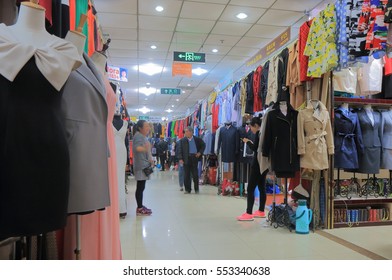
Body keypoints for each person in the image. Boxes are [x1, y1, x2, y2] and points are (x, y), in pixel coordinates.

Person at [237, 116, 267, 221]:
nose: (250, 129)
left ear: (255, 125)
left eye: (251, 127)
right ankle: (261, 211)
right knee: (261, 187)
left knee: (250, 188)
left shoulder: (259, 134)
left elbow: (256, 149)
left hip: (258, 164)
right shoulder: (264, 132)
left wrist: (248, 142)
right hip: (264, 164)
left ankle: (249, 213)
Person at [132, 120, 154, 216]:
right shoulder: (138, 136)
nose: (148, 128)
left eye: (148, 126)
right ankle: (139, 208)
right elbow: (136, 148)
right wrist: (146, 148)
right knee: (140, 187)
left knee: (142, 187)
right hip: (141, 166)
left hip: (144, 165)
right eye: (146, 126)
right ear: (140, 128)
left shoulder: (142, 136)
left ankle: (140, 206)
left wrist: (150, 159)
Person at [178, 127, 206, 194]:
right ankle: (187, 189)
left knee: (195, 175)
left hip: (194, 158)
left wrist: (200, 152)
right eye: (185, 131)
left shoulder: (197, 139)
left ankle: (196, 189)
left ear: (191, 132)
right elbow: (179, 150)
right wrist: (180, 158)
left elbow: (203, 145)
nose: (185, 133)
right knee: (186, 175)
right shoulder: (182, 140)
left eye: (186, 131)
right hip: (186, 159)